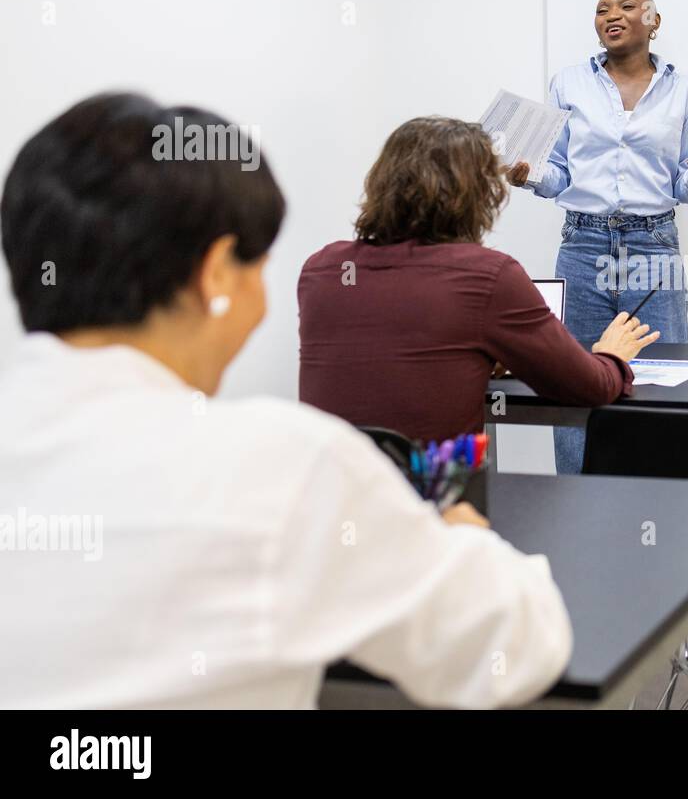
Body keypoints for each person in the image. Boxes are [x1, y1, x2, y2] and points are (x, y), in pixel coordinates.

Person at [0, 93, 571, 709]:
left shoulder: (326, 282)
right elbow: (517, 647)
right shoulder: (287, 470)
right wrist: (463, 529)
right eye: (258, 267)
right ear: (216, 274)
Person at [297, 116, 659, 444]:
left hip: (326, 501)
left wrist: (474, 358)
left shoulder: (321, 270)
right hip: (437, 503)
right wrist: (612, 355)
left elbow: (394, 364)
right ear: (478, 194)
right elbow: (591, 389)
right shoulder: (488, 276)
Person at [505, 0, 688, 472]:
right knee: (575, 378)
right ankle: (578, 503)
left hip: (653, 244)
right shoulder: (568, 83)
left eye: (625, 7)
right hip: (583, 243)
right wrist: (529, 173)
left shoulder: (683, 90)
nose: (611, 16)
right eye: (601, 10)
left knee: (660, 376)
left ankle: (658, 502)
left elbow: (684, 183)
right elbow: (558, 172)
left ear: (654, 21)